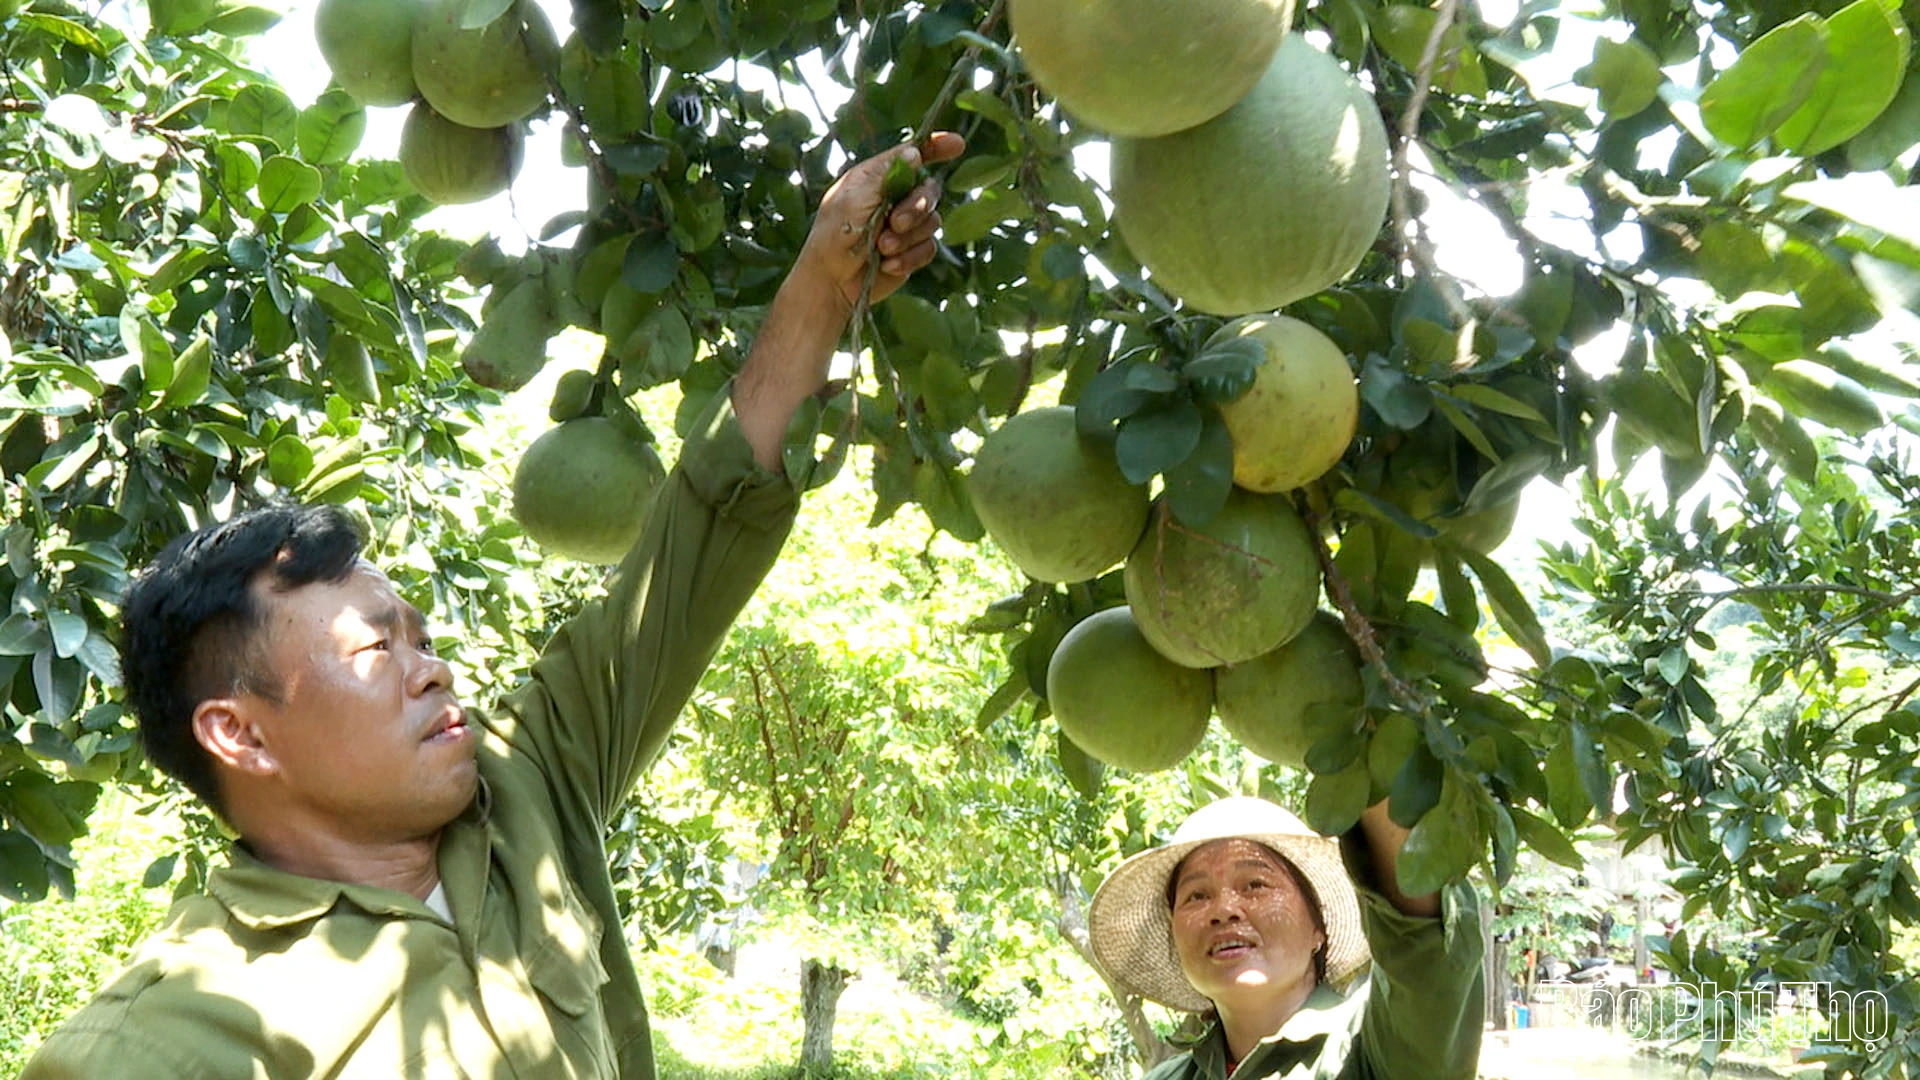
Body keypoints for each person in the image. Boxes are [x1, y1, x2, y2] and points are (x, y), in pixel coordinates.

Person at [21, 131, 965, 1080]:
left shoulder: (529, 788)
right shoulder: (160, 1040)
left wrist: (827, 281)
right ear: (242, 735)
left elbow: (697, 544)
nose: (432, 668)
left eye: (422, 637)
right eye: (374, 650)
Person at [1088, 796, 1485, 1078]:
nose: (1225, 909)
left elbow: (1426, 954)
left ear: (1318, 929)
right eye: (1197, 895)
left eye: (1256, 884)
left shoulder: (1369, 1047)